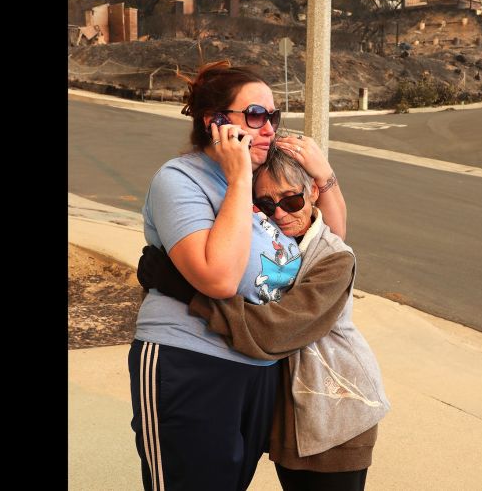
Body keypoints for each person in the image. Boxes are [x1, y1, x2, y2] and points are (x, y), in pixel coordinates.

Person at [129, 60, 347, 491]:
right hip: (189, 360)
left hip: (257, 368)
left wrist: (324, 175)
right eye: (255, 115)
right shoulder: (181, 181)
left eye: (273, 116)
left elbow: (328, 242)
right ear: (216, 123)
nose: (268, 127)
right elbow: (220, 278)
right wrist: (236, 179)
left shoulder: (263, 182)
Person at [138, 145, 388, 491]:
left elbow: (276, 331)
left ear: (312, 192)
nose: (281, 214)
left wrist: (190, 294)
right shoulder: (283, 246)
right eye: (266, 205)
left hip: (335, 415)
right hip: (294, 419)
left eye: (291, 200)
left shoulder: (334, 259)